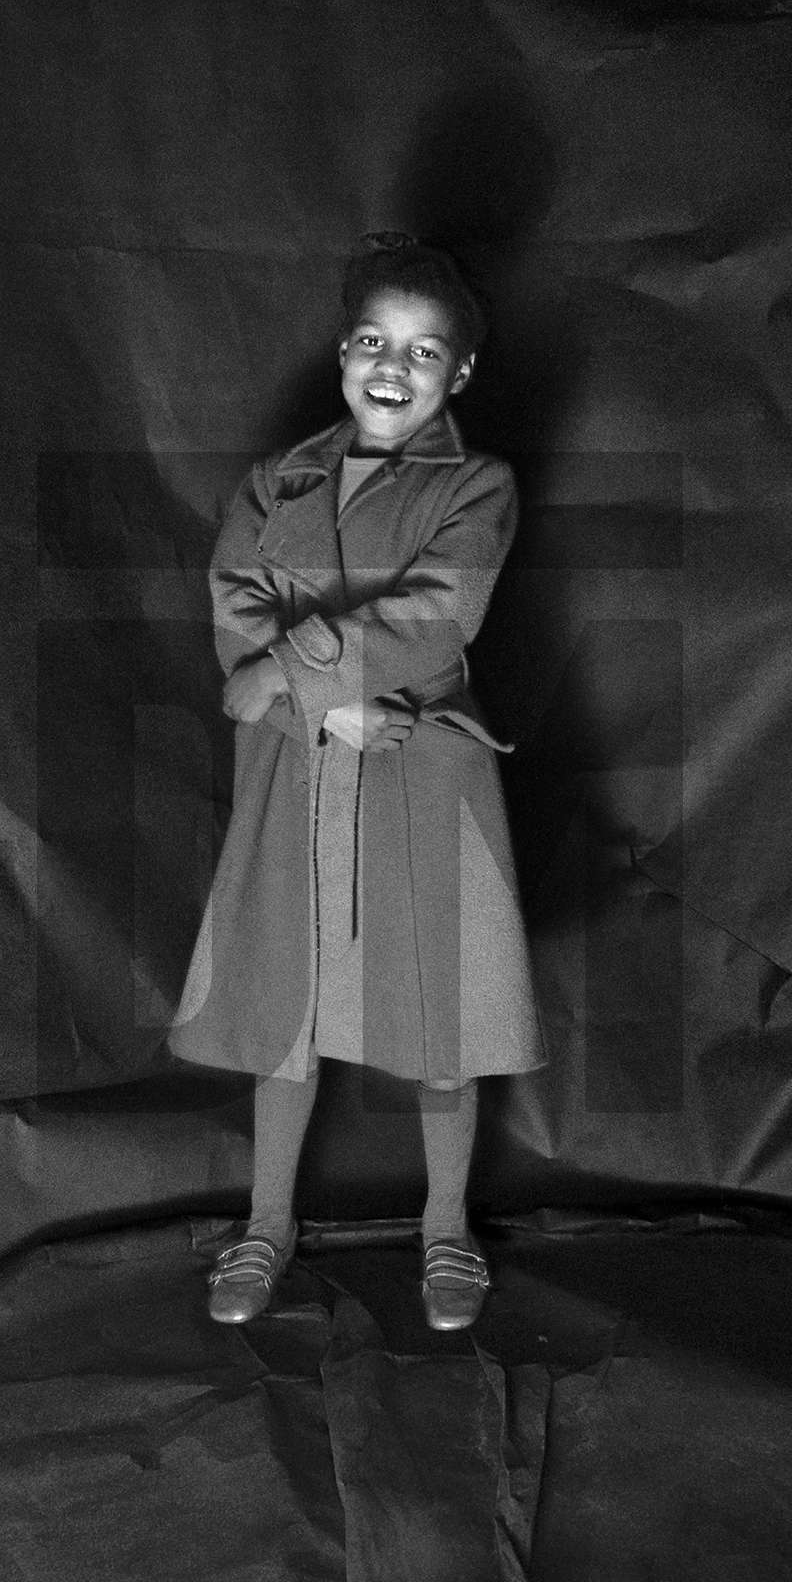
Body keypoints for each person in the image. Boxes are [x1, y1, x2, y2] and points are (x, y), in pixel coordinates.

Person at [167, 233, 546, 1330]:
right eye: (375, 341)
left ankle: (445, 1231)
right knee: (286, 994)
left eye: (424, 353)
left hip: (418, 768)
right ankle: (267, 1224)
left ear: (457, 375)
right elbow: (234, 603)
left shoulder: (476, 486)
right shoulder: (273, 480)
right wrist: (319, 702)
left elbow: (437, 613)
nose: (394, 365)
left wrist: (287, 679)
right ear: (343, 351)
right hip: (298, 773)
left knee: (444, 1008)